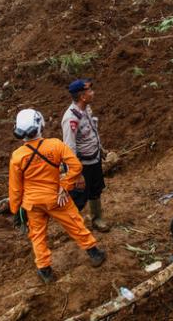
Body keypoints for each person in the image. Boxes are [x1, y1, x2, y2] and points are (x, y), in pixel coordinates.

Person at [8, 109, 106, 283]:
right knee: (75, 224)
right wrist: (65, 186)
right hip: (56, 198)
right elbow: (76, 166)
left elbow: (15, 188)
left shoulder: (17, 156)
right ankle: (94, 254)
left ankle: (45, 271)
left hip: (32, 203)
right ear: (40, 125)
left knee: (37, 236)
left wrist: (16, 211)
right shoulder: (55, 145)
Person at [61, 79, 110, 232]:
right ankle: (72, 224)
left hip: (93, 158)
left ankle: (97, 218)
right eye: (90, 91)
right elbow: (69, 148)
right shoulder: (71, 119)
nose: (93, 93)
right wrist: (77, 174)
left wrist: (100, 149)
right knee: (79, 197)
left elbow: (92, 132)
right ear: (82, 96)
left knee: (96, 189)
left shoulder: (86, 109)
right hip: (81, 164)